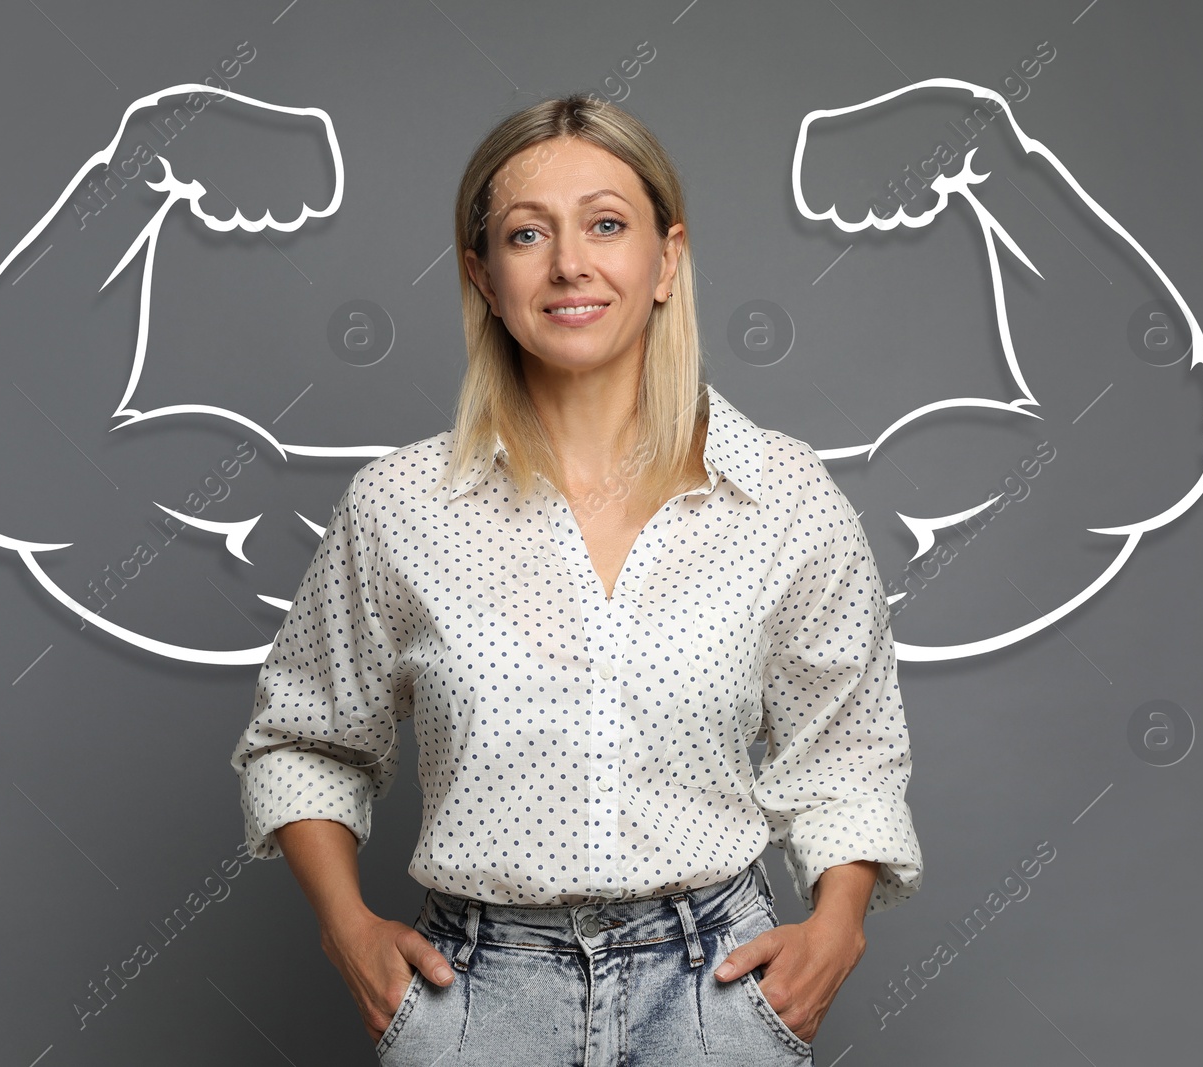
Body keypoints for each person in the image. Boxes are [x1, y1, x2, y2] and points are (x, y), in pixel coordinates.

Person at [229, 93, 923, 1065]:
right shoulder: (399, 506)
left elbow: (848, 753)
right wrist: (344, 924)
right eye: (525, 233)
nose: (568, 263)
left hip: (716, 998)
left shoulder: (783, 496)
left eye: (605, 223)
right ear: (482, 273)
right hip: (474, 999)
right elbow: (303, 737)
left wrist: (835, 924)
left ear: (664, 259)